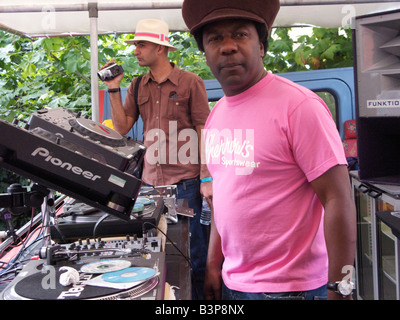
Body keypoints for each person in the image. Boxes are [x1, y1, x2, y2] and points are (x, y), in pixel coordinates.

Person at [182, 0, 357, 300]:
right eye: (215, 39)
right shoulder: (217, 114)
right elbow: (224, 197)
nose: (227, 47)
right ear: (206, 55)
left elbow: (338, 199)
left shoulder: (299, 107)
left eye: (240, 35)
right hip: (235, 284)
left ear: (261, 47)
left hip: (293, 290)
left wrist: (341, 287)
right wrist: (213, 264)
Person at [101, 19, 212, 299]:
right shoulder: (137, 86)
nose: (136, 51)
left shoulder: (190, 82)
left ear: (161, 48)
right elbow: (121, 128)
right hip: (150, 188)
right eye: (136, 45)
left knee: (195, 257)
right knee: (155, 255)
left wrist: (207, 177)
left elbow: (204, 130)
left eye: (141, 44)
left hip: (186, 185)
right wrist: (113, 87)